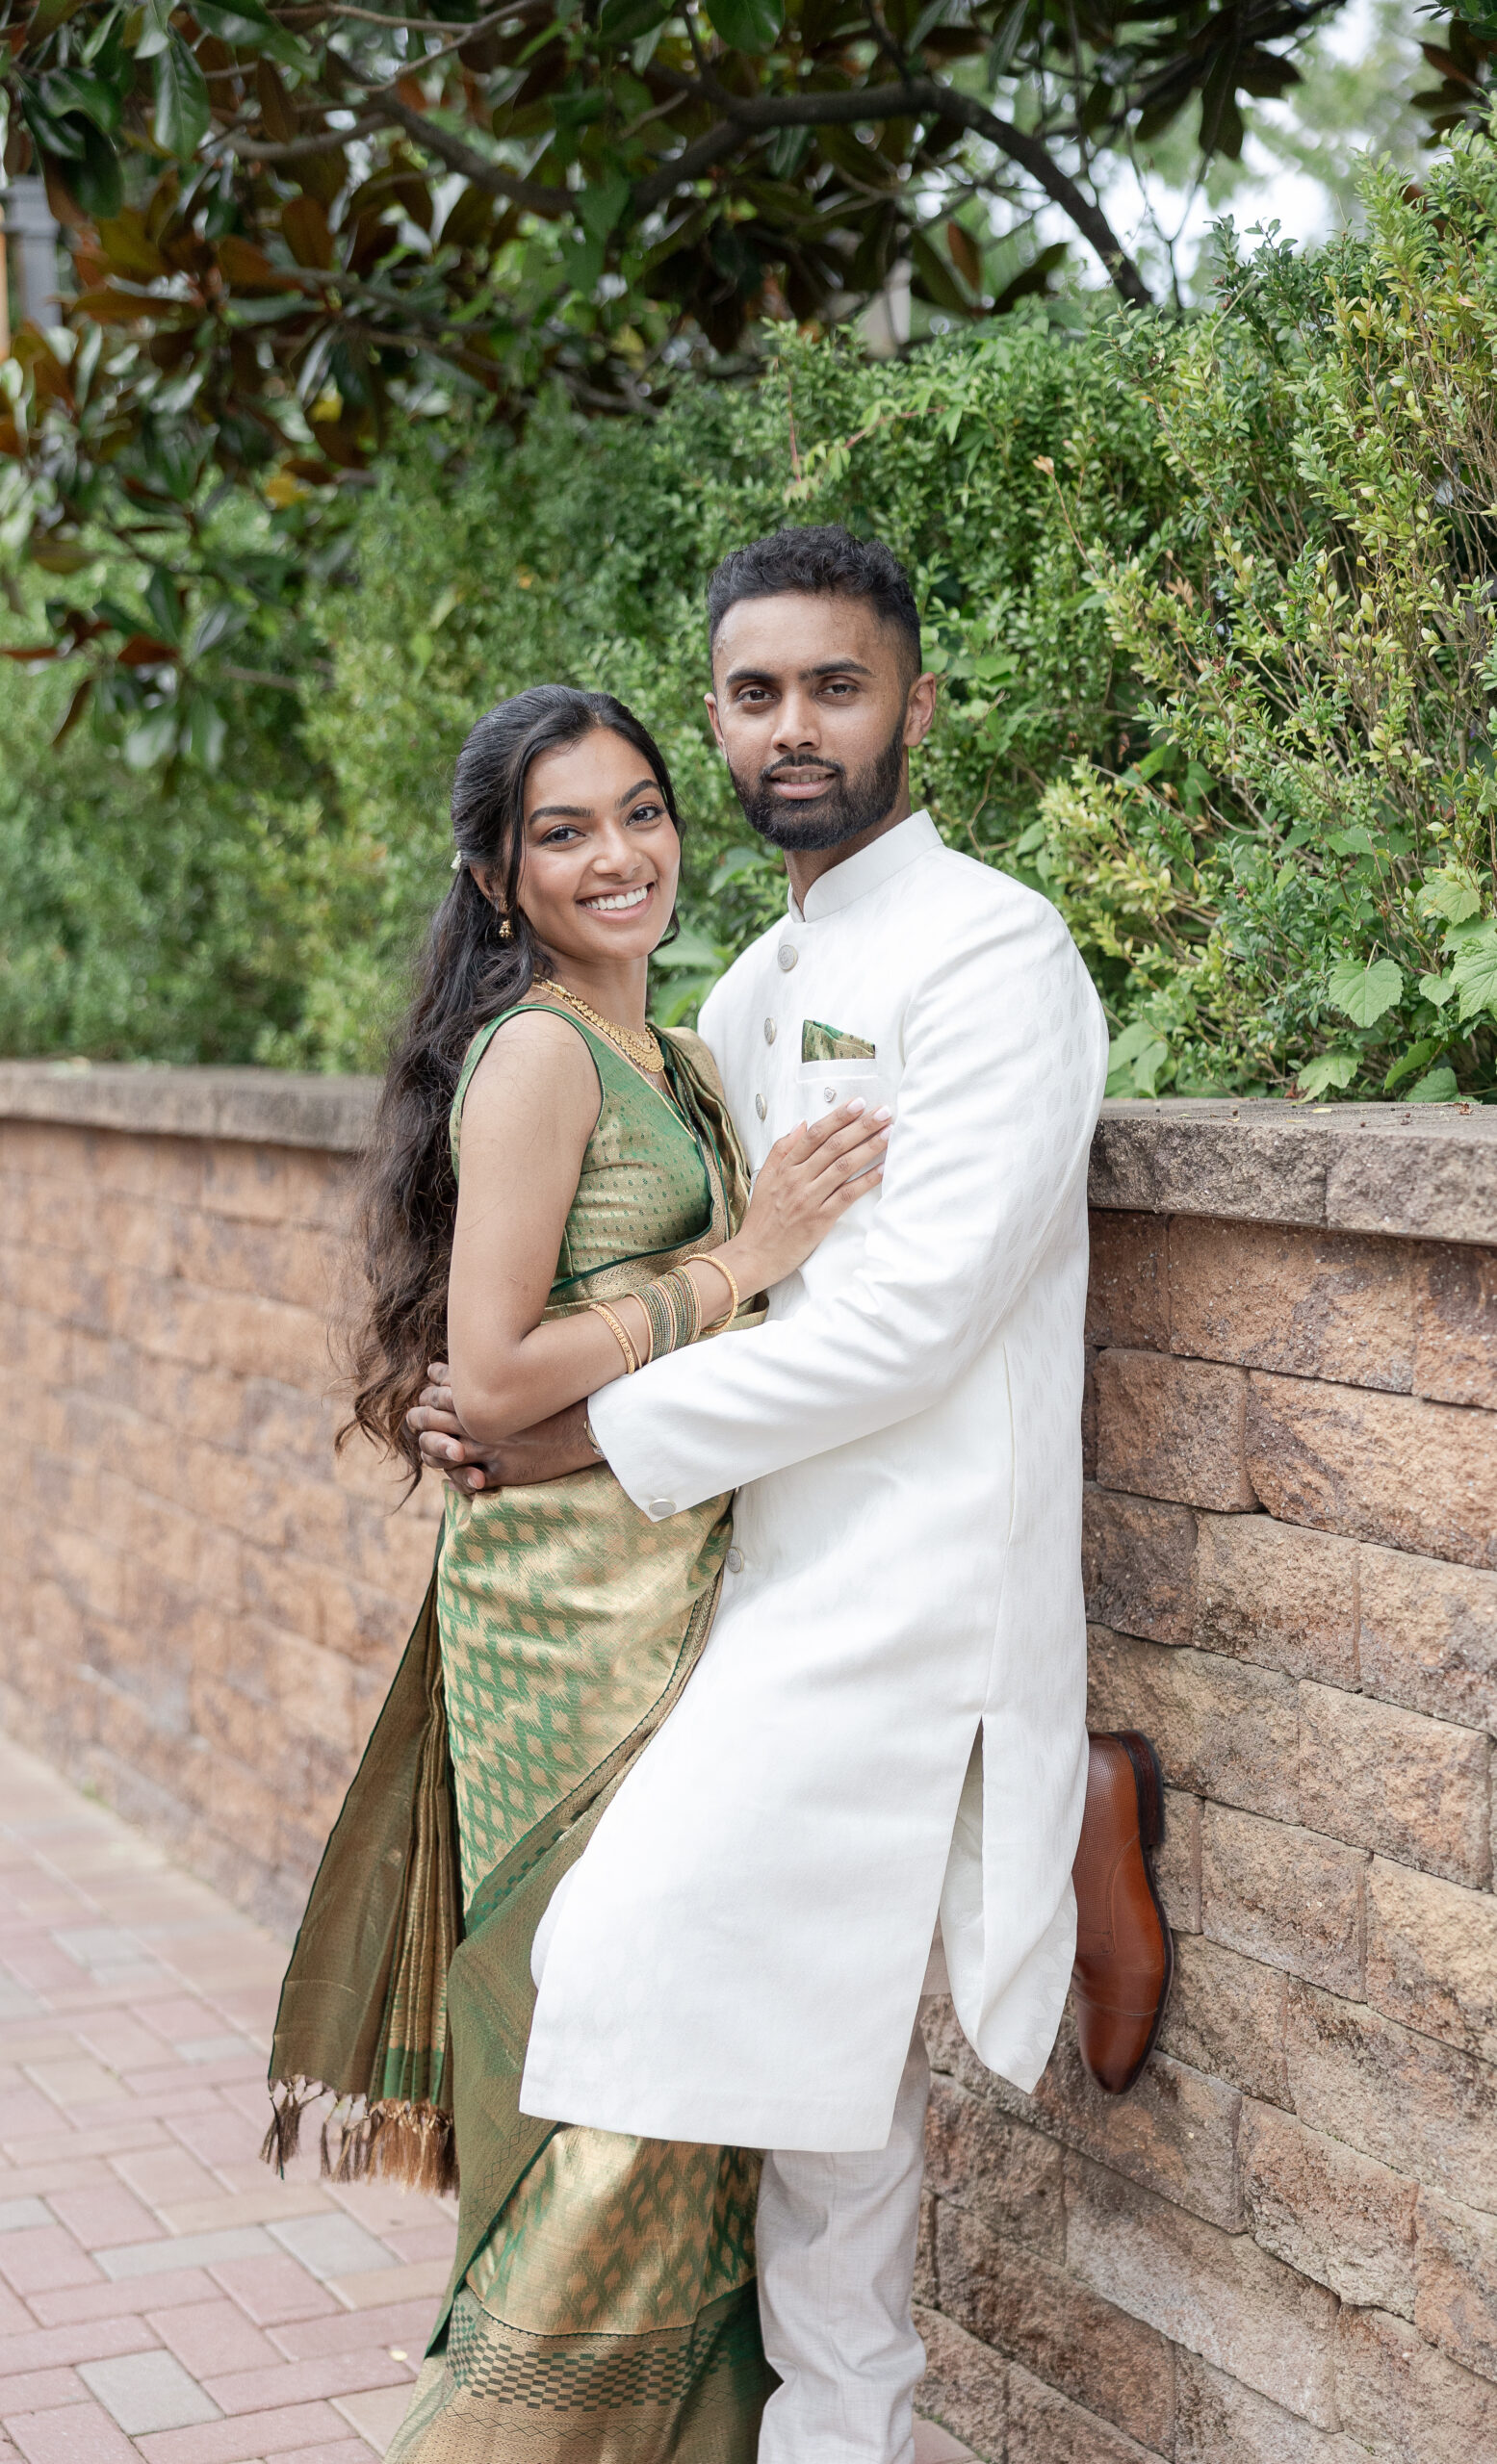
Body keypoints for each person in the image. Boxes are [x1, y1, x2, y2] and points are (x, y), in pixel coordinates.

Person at [410, 527, 1172, 2464]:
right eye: (751, 694)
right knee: (811, 2098)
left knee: (626, 1965)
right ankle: (834, 2430)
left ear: (911, 704)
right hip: (744, 1571)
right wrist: (478, 1393)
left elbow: (909, 1327)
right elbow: (667, 1254)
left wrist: (571, 1434)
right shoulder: (739, 985)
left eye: (834, 684)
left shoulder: (994, 952)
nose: (791, 726)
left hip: (901, 1581)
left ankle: (1054, 1794)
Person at [263, 680, 890, 2460]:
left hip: (673, 1598)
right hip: (564, 1638)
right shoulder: (540, 1056)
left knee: (679, 2078)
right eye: (563, 832)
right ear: (497, 878)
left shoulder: (675, 1053)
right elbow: (503, 1368)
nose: (618, 854)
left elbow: (547, 1397)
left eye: (638, 811)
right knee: (610, 2078)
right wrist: (746, 1257)